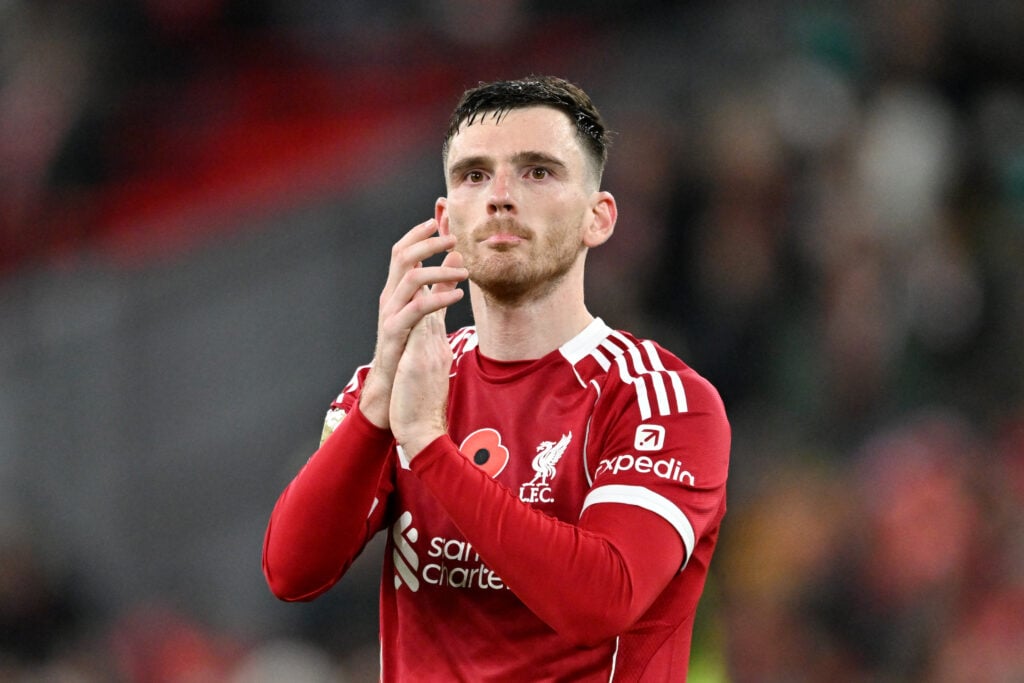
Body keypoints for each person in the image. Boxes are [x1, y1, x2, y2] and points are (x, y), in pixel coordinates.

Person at [262, 75, 730, 681]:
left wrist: (431, 448)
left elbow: (602, 600)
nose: (500, 195)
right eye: (474, 174)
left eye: (538, 171)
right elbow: (293, 571)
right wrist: (377, 401)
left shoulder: (660, 399)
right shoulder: (400, 385)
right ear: (445, 220)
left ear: (599, 217)